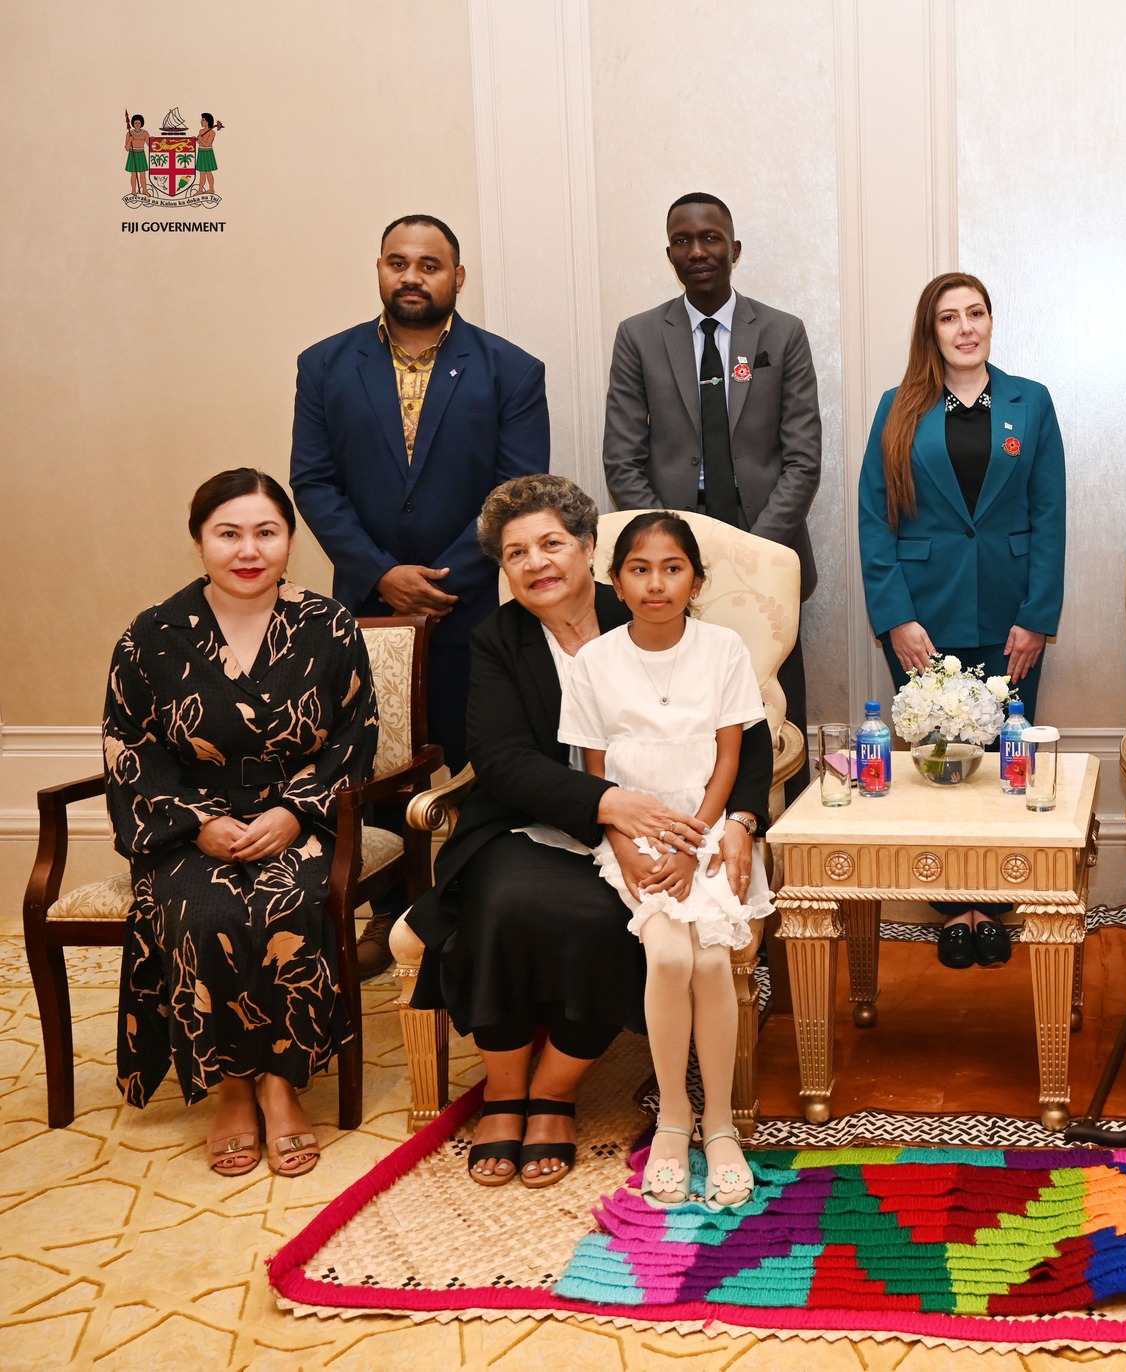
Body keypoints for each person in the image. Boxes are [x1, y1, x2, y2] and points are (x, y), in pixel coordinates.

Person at [403, 476, 772, 1188]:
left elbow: (745, 739)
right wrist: (611, 807)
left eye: (551, 544)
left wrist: (740, 821)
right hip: (526, 823)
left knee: (607, 919)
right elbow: (503, 762)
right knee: (502, 903)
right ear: (504, 570)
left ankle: (557, 1088)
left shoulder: (642, 604)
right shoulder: (497, 641)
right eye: (516, 554)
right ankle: (506, 1090)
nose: (537, 563)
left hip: (658, 832)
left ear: (590, 550)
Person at [291, 213, 549, 977]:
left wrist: (439, 577)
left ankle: (476, 909)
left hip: (471, 610)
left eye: (429, 265)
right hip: (364, 611)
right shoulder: (325, 364)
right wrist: (381, 575)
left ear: (457, 278)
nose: (413, 276)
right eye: (398, 263)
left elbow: (517, 491)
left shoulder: (510, 369)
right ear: (378, 268)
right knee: (373, 767)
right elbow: (315, 481)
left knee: (487, 763)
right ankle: (389, 916)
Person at [105, 469, 378, 1179]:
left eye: (267, 532)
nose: (248, 549)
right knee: (205, 909)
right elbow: (129, 749)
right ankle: (231, 1087)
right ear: (200, 542)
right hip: (185, 828)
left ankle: (283, 1085)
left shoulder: (329, 626)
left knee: (288, 903)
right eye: (229, 533)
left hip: (300, 815)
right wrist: (197, 824)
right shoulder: (152, 635)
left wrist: (294, 812)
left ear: (290, 542)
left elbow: (356, 735)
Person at [558, 513, 772, 1209]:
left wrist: (698, 840)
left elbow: (732, 759)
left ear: (696, 581)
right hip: (631, 834)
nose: (657, 583)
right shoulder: (594, 661)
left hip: (704, 826)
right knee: (672, 957)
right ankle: (674, 1118)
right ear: (615, 582)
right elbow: (595, 778)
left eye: (673, 568)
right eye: (640, 569)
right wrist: (631, 845)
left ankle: (721, 1125)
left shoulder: (724, 648)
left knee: (709, 959)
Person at [856, 272, 1067, 969]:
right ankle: (954, 908)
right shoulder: (899, 408)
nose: (966, 327)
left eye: (977, 313)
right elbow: (874, 521)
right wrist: (895, 620)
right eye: (950, 317)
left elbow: (1048, 515)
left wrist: (1038, 617)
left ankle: (995, 904)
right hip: (925, 614)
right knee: (938, 762)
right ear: (932, 331)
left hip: (1011, 615)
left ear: (991, 321)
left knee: (1005, 761)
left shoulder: (1029, 403)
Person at [603, 192, 823, 804]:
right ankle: (683, 827)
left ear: (735, 248)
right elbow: (623, 459)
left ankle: (785, 847)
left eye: (710, 238)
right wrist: (669, 553)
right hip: (667, 555)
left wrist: (750, 553)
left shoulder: (781, 332)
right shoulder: (639, 336)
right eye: (683, 240)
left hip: (767, 553)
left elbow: (802, 459)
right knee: (680, 708)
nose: (697, 251)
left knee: (777, 707)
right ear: (669, 252)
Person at [193, 113, 223, 196]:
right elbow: (200, 143)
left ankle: (211, 189)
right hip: (201, 152)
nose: (201, 122)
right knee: (202, 173)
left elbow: (207, 144)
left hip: (207, 153)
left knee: (208, 172)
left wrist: (200, 139)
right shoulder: (201, 131)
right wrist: (197, 140)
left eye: (203, 120)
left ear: (208, 121)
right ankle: (200, 190)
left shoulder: (212, 133)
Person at [125, 114, 148, 196]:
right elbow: (127, 148)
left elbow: (150, 144)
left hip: (141, 154)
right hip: (132, 154)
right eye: (135, 123)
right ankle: (133, 190)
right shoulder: (129, 133)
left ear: (141, 123)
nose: (137, 124)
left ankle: (144, 190)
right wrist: (129, 140)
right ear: (133, 124)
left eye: (138, 123)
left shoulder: (145, 133)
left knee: (142, 174)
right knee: (133, 174)